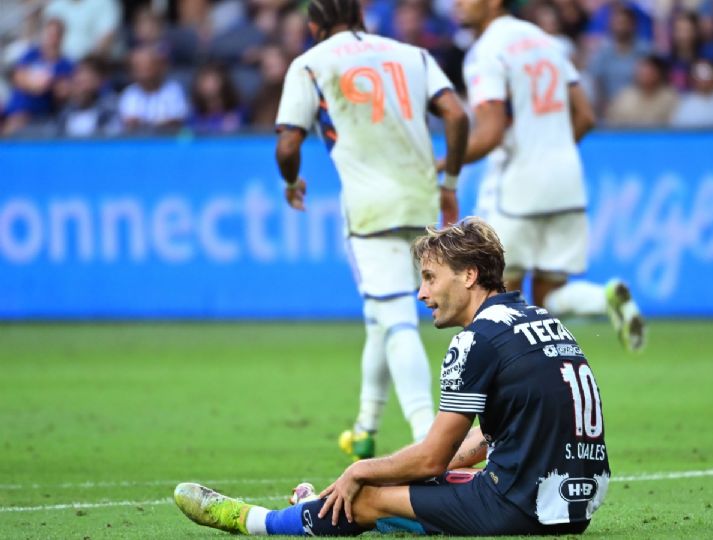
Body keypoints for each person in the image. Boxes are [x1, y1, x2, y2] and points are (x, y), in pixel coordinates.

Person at [174, 217, 611, 536]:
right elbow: (485, 442)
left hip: (516, 509)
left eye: (429, 278)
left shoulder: (476, 340)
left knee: (363, 497)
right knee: (418, 484)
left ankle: (251, 520)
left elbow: (431, 459)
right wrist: (402, 476)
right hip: (574, 507)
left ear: (469, 275)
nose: (421, 293)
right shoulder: (540, 320)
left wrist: (362, 471)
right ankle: (381, 514)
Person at [272, 0, 469, 459]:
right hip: (419, 201)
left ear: (314, 24)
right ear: (360, 15)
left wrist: (290, 181)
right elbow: (457, 116)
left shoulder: (309, 64)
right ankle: (365, 425)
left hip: (368, 210)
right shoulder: (411, 54)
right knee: (382, 316)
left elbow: (287, 144)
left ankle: (426, 437)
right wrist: (451, 182)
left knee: (396, 316)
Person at [452, 0, 644, 351]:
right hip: (566, 180)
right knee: (550, 296)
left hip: (519, 185)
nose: (457, 3)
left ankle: (508, 382)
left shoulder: (486, 51)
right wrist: (553, 148)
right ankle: (604, 298)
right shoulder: (548, 44)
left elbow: (490, 134)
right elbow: (585, 116)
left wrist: (442, 163)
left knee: (497, 294)